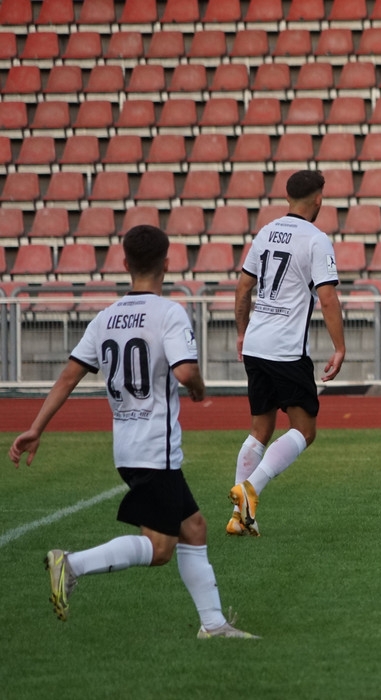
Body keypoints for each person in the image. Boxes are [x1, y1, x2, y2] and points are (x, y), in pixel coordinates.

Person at [7, 225, 258, 638]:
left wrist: (36, 428)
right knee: (160, 548)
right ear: (167, 263)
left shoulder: (105, 318)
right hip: (154, 448)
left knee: (193, 527)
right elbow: (185, 372)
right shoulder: (169, 313)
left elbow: (68, 377)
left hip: (126, 445)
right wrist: (198, 388)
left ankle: (213, 625)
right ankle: (71, 563)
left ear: (125, 263)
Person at [228, 170, 346, 536]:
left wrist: (242, 333)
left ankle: (239, 517)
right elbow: (327, 298)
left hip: (257, 344)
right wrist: (340, 347)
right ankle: (250, 489)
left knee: (260, 429)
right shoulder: (316, 239)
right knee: (305, 430)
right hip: (286, 349)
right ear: (319, 199)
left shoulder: (265, 232)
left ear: (287, 197)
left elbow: (243, 288)